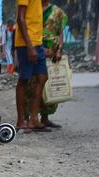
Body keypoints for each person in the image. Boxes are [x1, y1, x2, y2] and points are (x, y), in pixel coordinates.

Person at [14, 0, 48, 131]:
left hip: (37, 43)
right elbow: (20, 19)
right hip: (26, 44)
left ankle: (34, 119)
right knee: (24, 80)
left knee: (42, 77)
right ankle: (20, 120)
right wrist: (29, 46)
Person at [40, 0, 68, 128]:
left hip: (53, 51)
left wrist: (59, 49)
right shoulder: (33, 9)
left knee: (51, 84)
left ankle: (45, 118)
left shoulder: (56, 11)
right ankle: (29, 118)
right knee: (33, 84)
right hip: (37, 49)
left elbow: (60, 32)